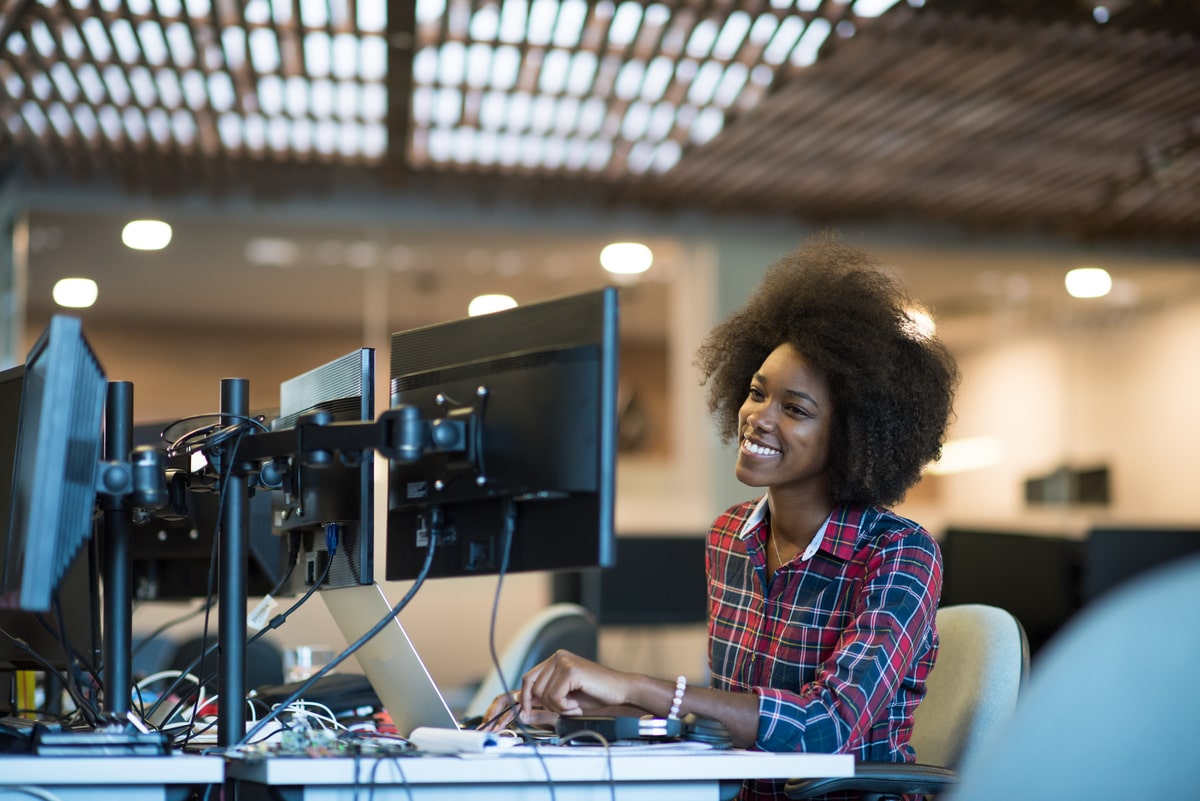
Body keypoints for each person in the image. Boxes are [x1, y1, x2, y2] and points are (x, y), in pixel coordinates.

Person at [485, 233, 960, 800]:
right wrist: (578, 707)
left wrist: (633, 682)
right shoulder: (730, 536)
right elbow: (720, 717)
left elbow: (823, 729)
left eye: (796, 409)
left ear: (856, 435)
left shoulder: (898, 554)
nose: (758, 417)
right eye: (757, 392)